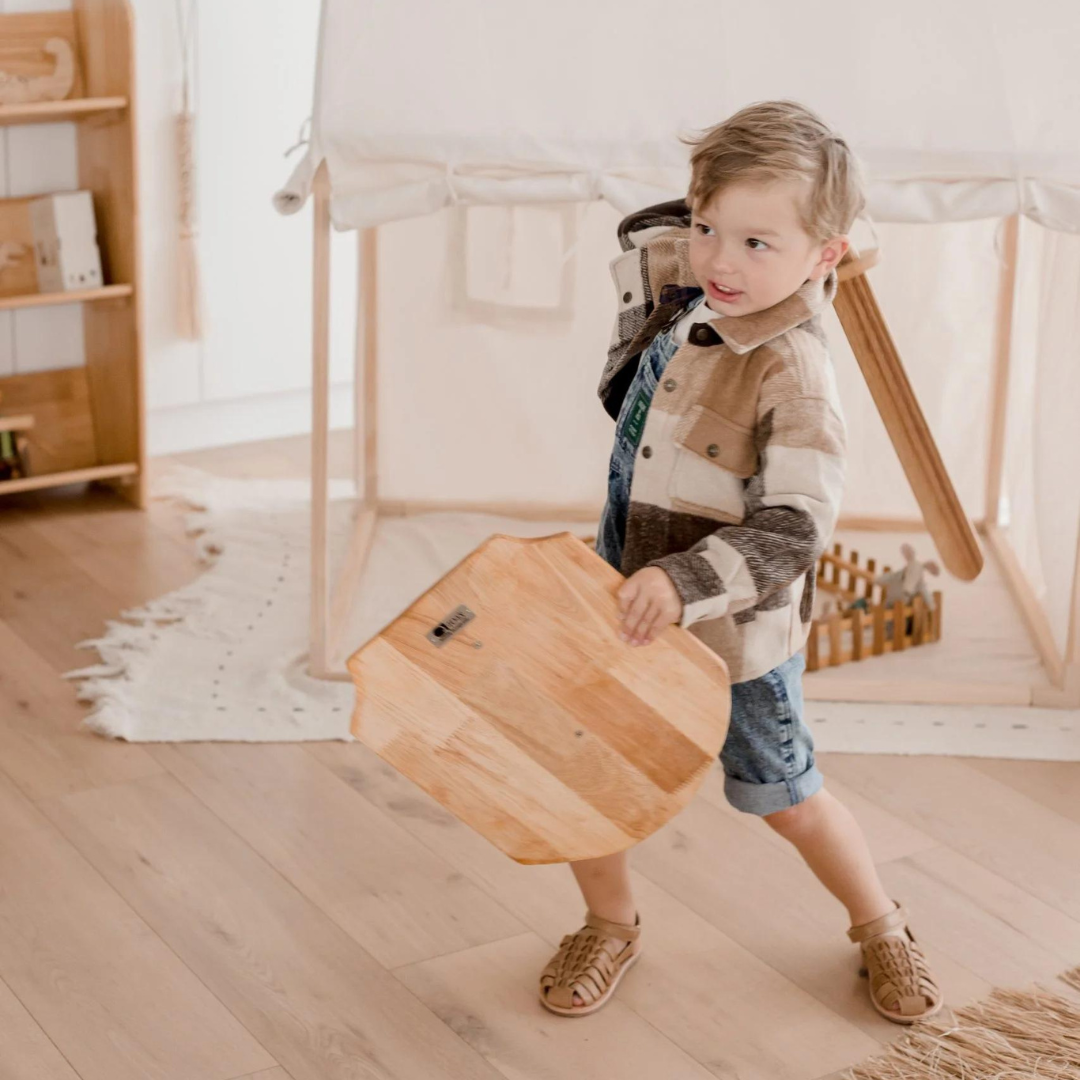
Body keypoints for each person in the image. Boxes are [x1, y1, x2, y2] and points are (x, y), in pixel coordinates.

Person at [538, 100, 943, 1025]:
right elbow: (631, 390)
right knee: (588, 779)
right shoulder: (689, 302)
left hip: (735, 644)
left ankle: (880, 922)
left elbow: (795, 526)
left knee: (786, 796)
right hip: (623, 614)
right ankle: (610, 921)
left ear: (824, 255)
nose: (722, 259)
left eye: (758, 244)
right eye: (709, 228)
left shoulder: (795, 376)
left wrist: (683, 584)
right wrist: (704, 233)